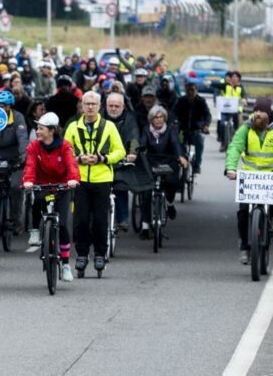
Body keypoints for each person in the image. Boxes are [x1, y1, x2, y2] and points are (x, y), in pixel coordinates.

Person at [225, 98, 273, 263]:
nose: (258, 114)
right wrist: (230, 168)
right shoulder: (246, 127)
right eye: (256, 111)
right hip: (250, 175)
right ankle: (244, 247)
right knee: (243, 212)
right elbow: (235, 146)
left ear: (268, 113)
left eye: (262, 111)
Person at [63, 91, 125, 277]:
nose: (90, 107)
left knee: (100, 220)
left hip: (102, 179)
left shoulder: (109, 127)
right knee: (80, 220)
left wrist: (103, 158)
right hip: (80, 179)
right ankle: (82, 254)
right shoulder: (73, 127)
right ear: (82, 106)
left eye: (93, 104)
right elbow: (65, 151)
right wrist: (78, 159)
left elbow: (120, 151)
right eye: (87, 104)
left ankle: (100, 254)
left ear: (99, 107)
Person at [22, 112, 80, 280]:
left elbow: (72, 164)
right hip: (43, 185)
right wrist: (28, 181)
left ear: (52, 130)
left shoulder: (65, 146)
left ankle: (66, 264)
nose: (37, 131)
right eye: (37, 128)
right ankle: (35, 230)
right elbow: (30, 166)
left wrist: (73, 179)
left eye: (41, 128)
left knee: (62, 225)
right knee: (37, 199)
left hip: (62, 187)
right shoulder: (34, 146)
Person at [137, 105, 187, 239]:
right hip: (152, 161)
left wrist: (180, 156)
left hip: (168, 161)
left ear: (164, 118)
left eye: (161, 117)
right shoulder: (146, 130)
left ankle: (170, 203)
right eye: (156, 117)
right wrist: (138, 154)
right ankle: (145, 227)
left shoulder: (170, 129)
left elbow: (175, 143)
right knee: (147, 192)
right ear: (151, 119)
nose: (159, 120)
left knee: (172, 182)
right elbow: (142, 143)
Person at [0, 89, 29, 236]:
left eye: (0, 105)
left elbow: (23, 139)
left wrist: (23, 157)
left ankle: (16, 220)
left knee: (16, 188)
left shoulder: (18, 118)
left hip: (14, 159)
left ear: (8, 106)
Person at [103, 92, 140, 233]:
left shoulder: (129, 119)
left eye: (116, 106)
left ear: (123, 106)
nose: (113, 108)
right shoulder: (99, 117)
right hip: (101, 160)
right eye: (110, 105)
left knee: (120, 184)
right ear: (106, 105)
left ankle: (122, 218)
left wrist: (132, 152)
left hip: (120, 159)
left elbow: (134, 136)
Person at [174, 81, 211, 174]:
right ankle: (180, 161)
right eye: (188, 90)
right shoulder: (181, 100)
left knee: (200, 139)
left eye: (192, 90)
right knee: (177, 142)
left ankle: (197, 164)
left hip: (196, 130)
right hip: (183, 131)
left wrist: (206, 125)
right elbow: (174, 113)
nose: (190, 92)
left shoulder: (201, 101)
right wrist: (173, 122)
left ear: (196, 91)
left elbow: (207, 115)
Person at [214, 71, 247, 145]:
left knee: (238, 124)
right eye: (233, 77)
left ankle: (236, 137)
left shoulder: (240, 87)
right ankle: (223, 142)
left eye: (236, 77)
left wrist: (244, 99)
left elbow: (244, 95)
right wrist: (210, 83)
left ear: (239, 79)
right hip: (226, 109)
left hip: (236, 110)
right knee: (222, 124)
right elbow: (218, 85)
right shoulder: (227, 85)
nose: (234, 78)